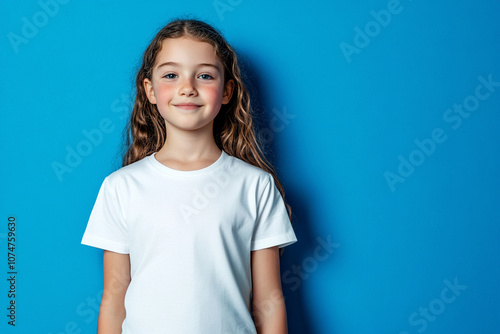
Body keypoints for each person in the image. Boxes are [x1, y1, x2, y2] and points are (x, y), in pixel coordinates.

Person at [81, 18, 297, 334]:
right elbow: (114, 302)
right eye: (171, 74)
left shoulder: (255, 185)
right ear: (150, 90)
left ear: (226, 91)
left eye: (205, 75)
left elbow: (270, 301)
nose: (187, 87)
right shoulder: (121, 187)